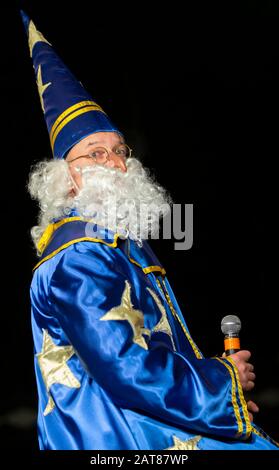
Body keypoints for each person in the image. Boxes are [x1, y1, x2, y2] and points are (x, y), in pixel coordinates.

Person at [21, 11, 278, 450]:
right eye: (96, 154)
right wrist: (221, 381)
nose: (118, 164)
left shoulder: (119, 248)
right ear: (66, 178)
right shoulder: (79, 256)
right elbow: (126, 367)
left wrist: (218, 386)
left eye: (120, 151)